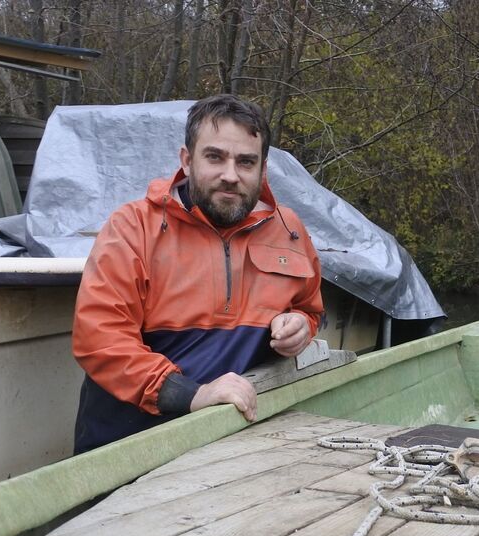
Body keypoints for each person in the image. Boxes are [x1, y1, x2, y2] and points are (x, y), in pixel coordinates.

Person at [71, 95, 324, 454]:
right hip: (127, 449)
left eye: (246, 162)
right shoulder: (133, 228)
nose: (231, 175)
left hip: (229, 447)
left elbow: (310, 309)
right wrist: (193, 394)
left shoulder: (289, 230)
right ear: (187, 161)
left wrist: (299, 326)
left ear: (263, 170)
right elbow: (100, 340)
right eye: (215, 157)